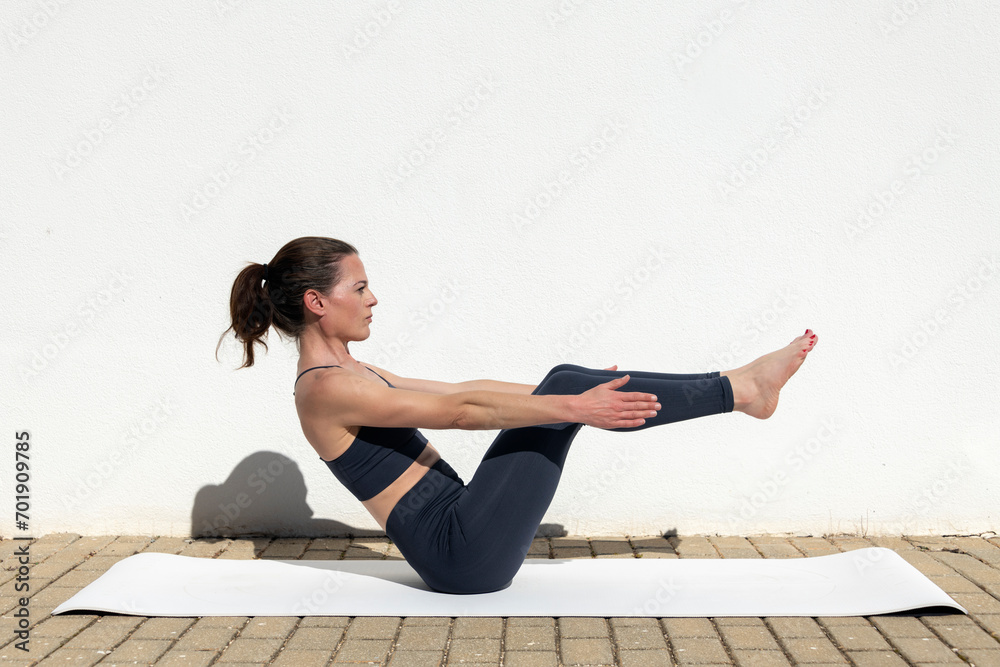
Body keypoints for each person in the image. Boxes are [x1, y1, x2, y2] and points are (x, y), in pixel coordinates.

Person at [217, 236, 818, 594]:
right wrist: (573, 405)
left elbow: (462, 387)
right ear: (318, 302)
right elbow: (458, 411)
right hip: (458, 554)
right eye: (361, 287)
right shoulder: (322, 390)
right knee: (569, 389)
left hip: (463, 533)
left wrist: (572, 395)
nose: (374, 298)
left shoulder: (355, 373)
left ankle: (740, 389)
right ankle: (742, 391)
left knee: (568, 381)